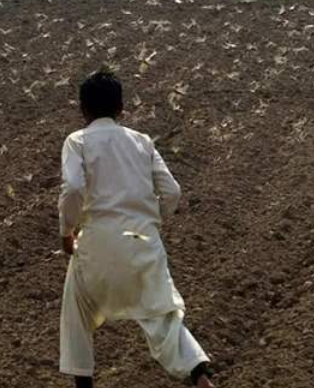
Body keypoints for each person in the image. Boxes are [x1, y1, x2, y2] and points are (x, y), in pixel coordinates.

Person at [58, 70, 215, 388]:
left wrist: (67, 232)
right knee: (164, 317)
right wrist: (150, 219)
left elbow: (73, 187)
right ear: (121, 109)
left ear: (83, 110)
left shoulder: (78, 141)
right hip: (143, 242)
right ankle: (199, 376)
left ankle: (83, 383)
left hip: (97, 242)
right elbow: (172, 191)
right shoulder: (142, 142)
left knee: (76, 312)